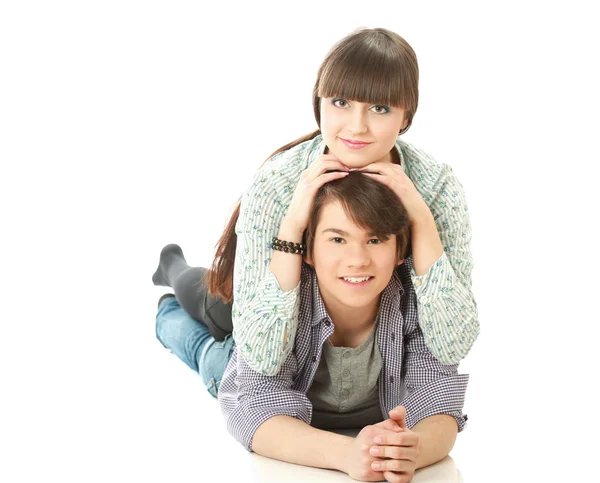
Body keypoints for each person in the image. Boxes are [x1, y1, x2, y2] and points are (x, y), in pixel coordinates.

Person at [153, 26, 479, 376]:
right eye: (341, 103)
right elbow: (261, 355)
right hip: (266, 301)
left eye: (380, 108)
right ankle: (172, 270)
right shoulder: (279, 182)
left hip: (360, 338)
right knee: (215, 312)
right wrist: (293, 223)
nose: (356, 127)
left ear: (406, 117)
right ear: (319, 104)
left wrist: (421, 218)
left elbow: (452, 345)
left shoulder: (437, 188)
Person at [155, 172, 468, 483]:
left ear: (400, 251)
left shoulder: (423, 299)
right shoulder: (281, 300)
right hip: (239, 351)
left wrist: (414, 450)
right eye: (337, 239)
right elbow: (251, 408)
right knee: (205, 312)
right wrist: (346, 453)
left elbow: (439, 398)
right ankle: (172, 269)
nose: (357, 259)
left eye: (375, 240)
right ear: (308, 250)